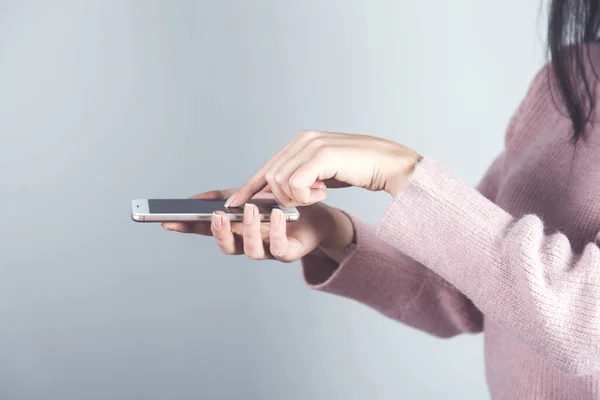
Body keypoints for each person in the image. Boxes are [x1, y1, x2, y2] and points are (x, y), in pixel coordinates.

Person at [162, 1, 600, 398]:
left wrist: (401, 172)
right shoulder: (569, 83)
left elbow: (587, 324)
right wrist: (330, 232)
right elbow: (463, 294)